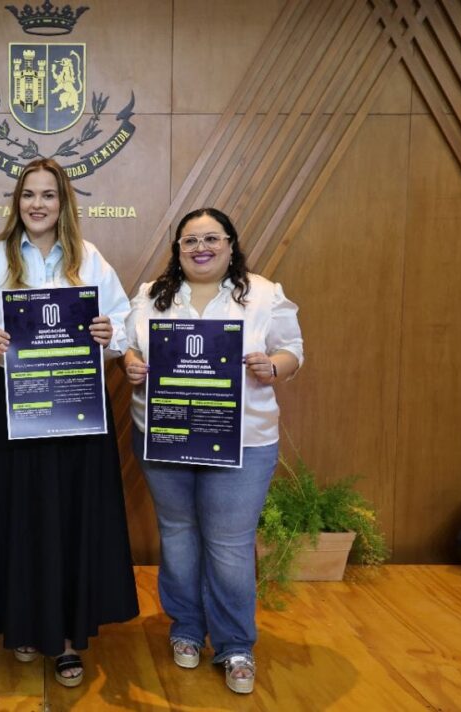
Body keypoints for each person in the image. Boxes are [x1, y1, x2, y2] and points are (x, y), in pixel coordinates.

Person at [0, 158, 139, 688]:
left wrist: (111, 332)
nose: (38, 204)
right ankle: (22, 625)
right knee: (20, 513)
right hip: (13, 403)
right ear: (17, 202)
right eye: (29, 195)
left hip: (78, 402)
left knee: (70, 513)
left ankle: (64, 639)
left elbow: (123, 320)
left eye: (49, 195)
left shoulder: (90, 258)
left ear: (64, 203)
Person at [123, 207, 304, 695]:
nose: (200, 247)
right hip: (164, 435)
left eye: (211, 238)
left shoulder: (264, 294)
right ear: (177, 248)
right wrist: (133, 364)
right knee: (178, 535)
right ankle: (185, 628)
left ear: (230, 243)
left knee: (228, 546)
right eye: (189, 241)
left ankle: (236, 644)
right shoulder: (150, 296)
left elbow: (293, 351)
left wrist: (273, 366)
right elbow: (128, 348)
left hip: (243, 440)